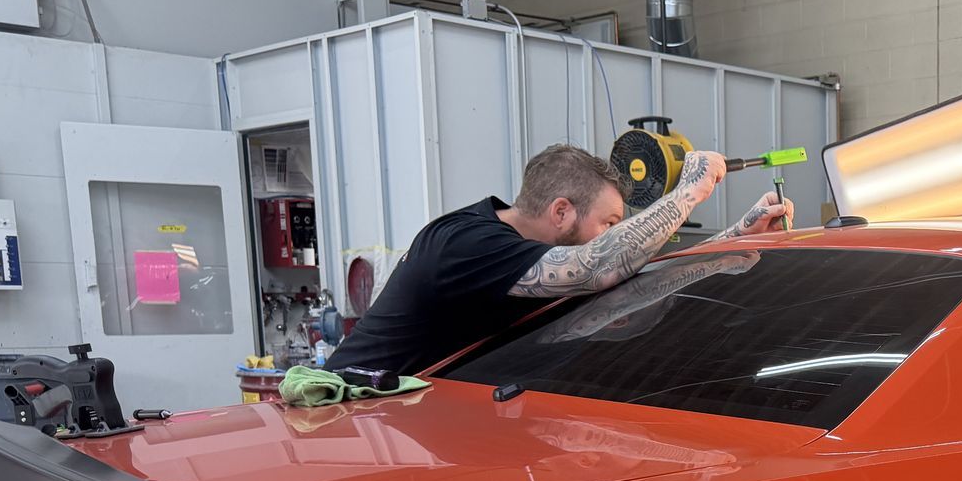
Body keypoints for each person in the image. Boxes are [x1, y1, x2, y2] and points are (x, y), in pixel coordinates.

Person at [328, 142, 793, 377]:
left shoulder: (528, 259)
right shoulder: (465, 244)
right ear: (561, 211)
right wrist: (690, 190)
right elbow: (599, 265)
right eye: (609, 223)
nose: (613, 235)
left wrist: (736, 237)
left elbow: (636, 276)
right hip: (341, 420)